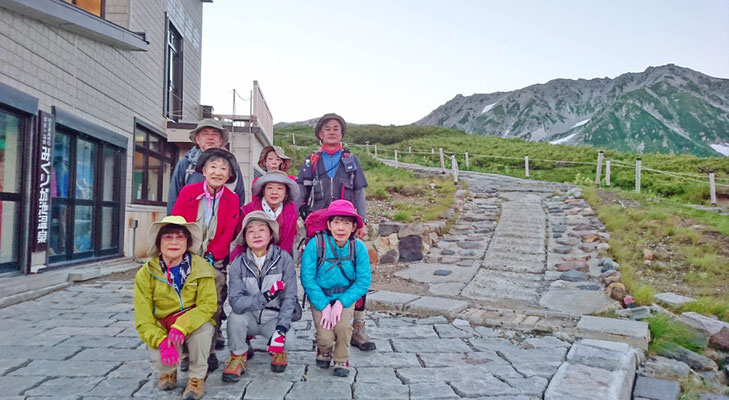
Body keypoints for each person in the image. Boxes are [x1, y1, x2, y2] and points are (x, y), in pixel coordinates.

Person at [296, 113, 376, 351]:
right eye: (327, 128)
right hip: (320, 224)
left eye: (336, 128)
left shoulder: (351, 160)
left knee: (352, 274)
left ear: (342, 134)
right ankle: (324, 328)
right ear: (320, 133)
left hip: (346, 222)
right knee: (322, 273)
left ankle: (357, 327)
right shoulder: (311, 161)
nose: (332, 131)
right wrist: (303, 218)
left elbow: (359, 192)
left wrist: (360, 223)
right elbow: (301, 191)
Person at [171, 147, 240, 371]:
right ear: (203, 170)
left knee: (213, 305)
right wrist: (183, 256)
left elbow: (228, 231)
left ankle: (207, 351)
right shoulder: (188, 192)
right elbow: (177, 223)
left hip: (214, 260)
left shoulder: (232, 198)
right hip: (185, 257)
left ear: (229, 175)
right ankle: (183, 353)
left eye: (223, 169)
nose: (218, 172)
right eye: (213, 167)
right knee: (183, 304)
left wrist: (211, 256)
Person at [134, 215, 216, 400]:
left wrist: (181, 326)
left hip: (192, 324)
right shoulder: (145, 273)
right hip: (163, 326)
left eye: (180, 237)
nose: (174, 242)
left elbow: (208, 304)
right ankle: (168, 371)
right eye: (167, 237)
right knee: (160, 359)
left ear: (187, 242)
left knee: (204, 331)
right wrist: (161, 340)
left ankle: (196, 377)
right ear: (159, 242)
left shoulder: (201, 267)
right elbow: (143, 319)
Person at [223, 211, 298, 381]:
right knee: (235, 318)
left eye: (262, 229)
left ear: (271, 234)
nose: (256, 234)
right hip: (249, 317)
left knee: (288, 340)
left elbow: (289, 298)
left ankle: (278, 350)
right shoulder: (237, 264)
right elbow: (236, 302)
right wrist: (265, 296)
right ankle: (238, 356)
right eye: (250, 231)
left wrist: (281, 328)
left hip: (273, 317)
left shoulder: (284, 259)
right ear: (245, 238)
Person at [300, 200, 372, 377]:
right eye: (337, 222)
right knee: (325, 336)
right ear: (329, 225)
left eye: (346, 223)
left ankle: (341, 359)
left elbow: (363, 281)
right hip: (321, 297)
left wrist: (341, 303)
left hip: (345, 296)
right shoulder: (316, 245)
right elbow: (307, 279)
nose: (341, 228)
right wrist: (324, 305)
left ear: (354, 226)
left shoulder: (358, 248)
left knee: (342, 327)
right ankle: (323, 350)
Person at [168, 118, 245, 214]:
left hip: (222, 223)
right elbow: (174, 199)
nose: (210, 137)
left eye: (215, 134)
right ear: (197, 139)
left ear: (221, 140)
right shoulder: (185, 164)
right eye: (205, 133)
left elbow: (240, 199)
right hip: (189, 223)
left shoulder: (232, 165)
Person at [238, 170, 299, 255]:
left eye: (279, 188)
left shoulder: (291, 211)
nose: (274, 192)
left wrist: (278, 262)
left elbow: (287, 243)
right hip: (251, 258)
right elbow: (241, 243)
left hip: (280, 258)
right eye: (270, 188)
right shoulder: (248, 210)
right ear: (263, 191)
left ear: (286, 193)